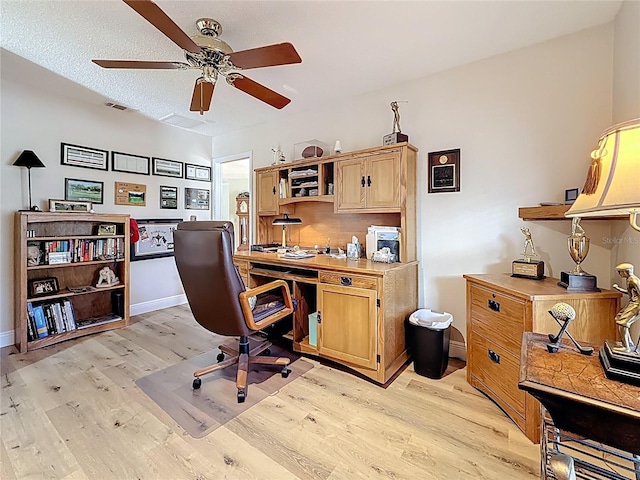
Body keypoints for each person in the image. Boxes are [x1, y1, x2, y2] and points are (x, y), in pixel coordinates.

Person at [612, 263, 640, 353]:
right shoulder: (629, 279)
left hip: (636, 305)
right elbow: (630, 293)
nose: (619, 274)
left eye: (620, 272)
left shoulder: (634, 281)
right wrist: (619, 289)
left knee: (622, 323)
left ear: (625, 272)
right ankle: (630, 344)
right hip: (632, 303)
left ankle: (626, 347)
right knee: (619, 319)